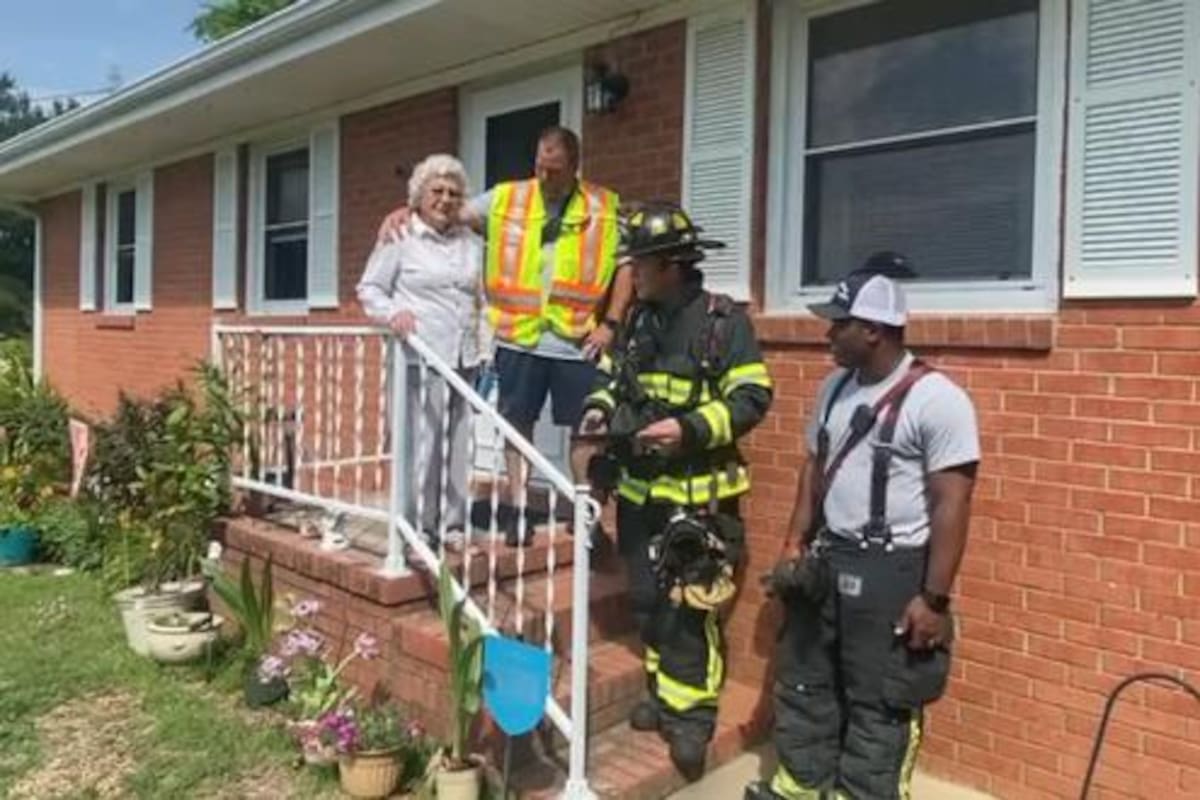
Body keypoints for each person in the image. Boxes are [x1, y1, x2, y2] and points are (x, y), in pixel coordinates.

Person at [746, 254, 980, 800]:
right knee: (806, 681)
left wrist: (935, 599)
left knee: (880, 701)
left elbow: (954, 502)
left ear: (873, 330)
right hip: (828, 559)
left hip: (891, 573)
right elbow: (814, 467)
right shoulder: (834, 387)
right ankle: (800, 787)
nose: (828, 333)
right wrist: (793, 543)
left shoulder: (937, 400)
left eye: (839, 323)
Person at [578, 202, 773, 781]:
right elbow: (616, 383)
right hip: (641, 493)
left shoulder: (722, 322)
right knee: (647, 600)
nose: (631, 273)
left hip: (700, 497)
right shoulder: (639, 319)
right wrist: (597, 410)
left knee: (689, 611)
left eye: (640, 263)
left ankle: (692, 718)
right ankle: (664, 695)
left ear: (673, 265)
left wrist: (687, 429)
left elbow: (751, 399)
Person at [377, 126, 632, 546]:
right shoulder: (507, 198)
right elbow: (446, 211)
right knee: (518, 424)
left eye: (555, 170)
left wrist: (612, 324)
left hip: (577, 338)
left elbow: (625, 266)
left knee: (586, 428)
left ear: (575, 166)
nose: (544, 177)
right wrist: (403, 211)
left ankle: (584, 510)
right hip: (518, 338)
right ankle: (517, 510)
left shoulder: (604, 207)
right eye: (539, 166)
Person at [357, 153, 487, 548]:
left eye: (453, 192)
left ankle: (452, 524)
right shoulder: (400, 236)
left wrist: (486, 344)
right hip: (419, 356)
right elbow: (370, 288)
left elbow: (481, 295)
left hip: (462, 356)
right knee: (420, 444)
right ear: (418, 195)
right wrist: (394, 313)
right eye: (437, 191)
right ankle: (415, 524)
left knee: (459, 443)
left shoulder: (471, 242)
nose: (446, 199)